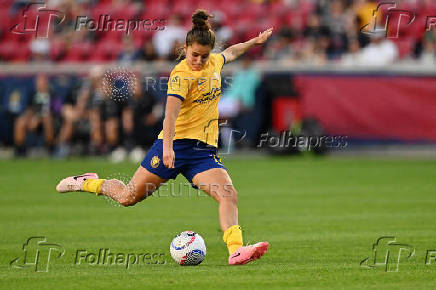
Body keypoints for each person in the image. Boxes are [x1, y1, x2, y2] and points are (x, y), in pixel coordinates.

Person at [56, 9, 273, 266]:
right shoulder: (181, 75)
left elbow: (232, 52)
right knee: (127, 197)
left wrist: (253, 42)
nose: (199, 61)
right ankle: (88, 182)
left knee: (228, 194)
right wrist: (167, 148)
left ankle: (235, 250)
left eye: (204, 56)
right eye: (194, 55)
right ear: (185, 49)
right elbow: (169, 117)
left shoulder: (213, 62)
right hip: (173, 146)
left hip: (202, 152)